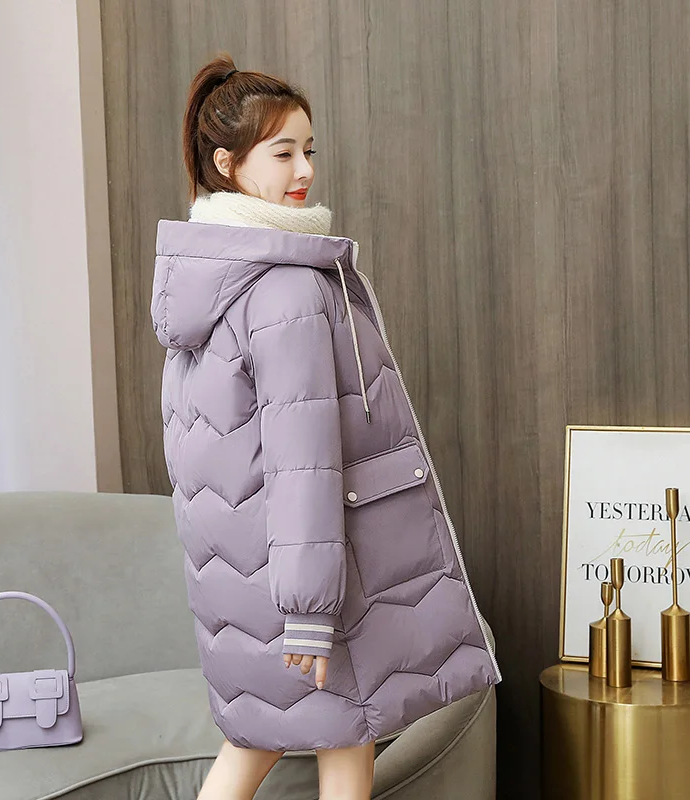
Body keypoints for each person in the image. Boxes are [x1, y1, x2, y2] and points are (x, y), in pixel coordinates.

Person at [151, 52, 502, 800]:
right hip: (304, 587)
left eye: (309, 149)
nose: (305, 169)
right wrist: (310, 613)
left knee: (268, 743)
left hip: (244, 586)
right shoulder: (285, 289)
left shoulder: (201, 280)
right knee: (338, 740)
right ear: (227, 163)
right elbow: (301, 465)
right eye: (283, 153)